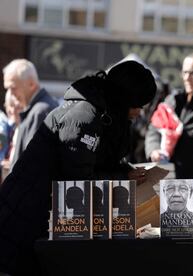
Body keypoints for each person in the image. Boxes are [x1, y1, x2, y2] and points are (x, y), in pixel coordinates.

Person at [0, 59, 156, 275]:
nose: (139, 111)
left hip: (34, 217)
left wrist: (125, 170)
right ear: (124, 98)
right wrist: (122, 176)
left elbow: (95, 162)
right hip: (26, 222)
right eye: (138, 104)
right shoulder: (85, 117)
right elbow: (77, 180)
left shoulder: (100, 113)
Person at [2, 59, 59, 170]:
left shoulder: (40, 112)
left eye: (13, 88)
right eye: (7, 89)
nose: (10, 94)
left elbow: (32, 166)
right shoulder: (38, 109)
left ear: (31, 84)